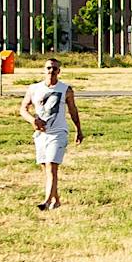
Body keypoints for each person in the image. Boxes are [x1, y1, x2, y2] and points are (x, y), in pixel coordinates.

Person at [19, 57, 82, 211]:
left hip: (58, 132)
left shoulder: (65, 89)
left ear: (59, 71)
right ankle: (57, 200)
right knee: (45, 168)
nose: (51, 71)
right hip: (41, 134)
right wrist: (33, 121)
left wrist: (78, 130)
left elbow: (73, 110)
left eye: (54, 69)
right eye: (48, 68)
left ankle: (46, 202)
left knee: (52, 166)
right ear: (44, 70)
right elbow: (23, 109)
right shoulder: (34, 88)